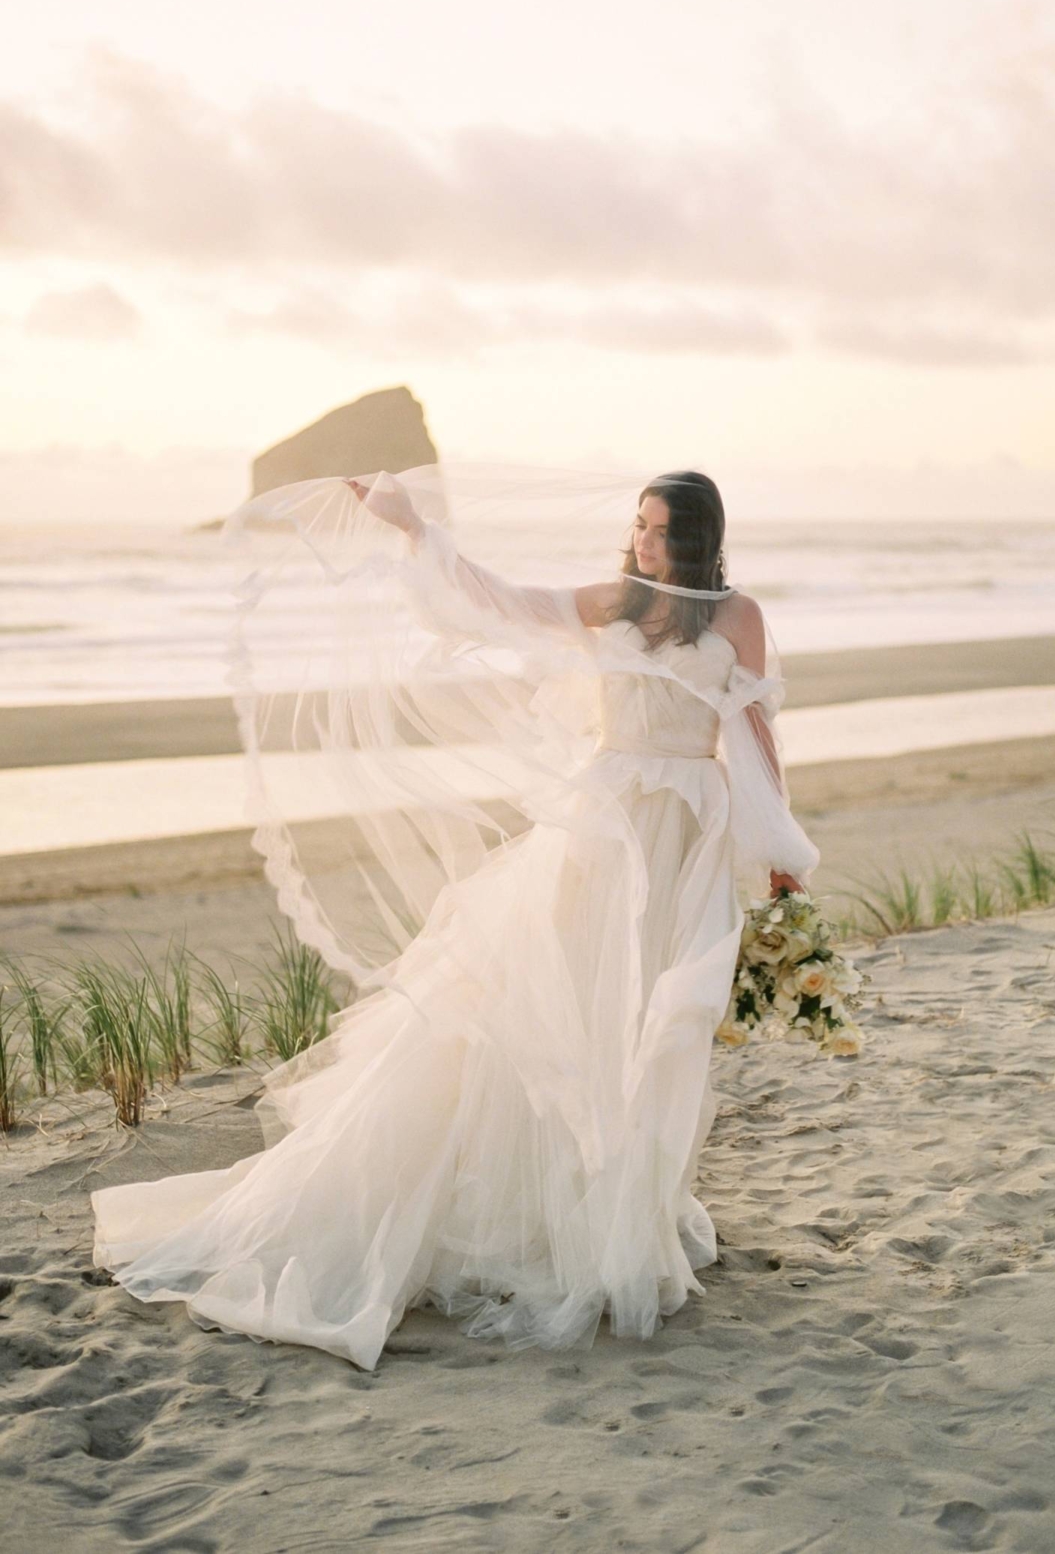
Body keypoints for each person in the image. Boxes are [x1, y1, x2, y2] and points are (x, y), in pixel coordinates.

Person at [90, 466, 820, 1371]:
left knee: (662, 1027)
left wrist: (781, 850)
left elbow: (753, 738)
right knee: (562, 1013)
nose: (643, 542)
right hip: (603, 829)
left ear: (701, 539)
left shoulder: (737, 617)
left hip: (688, 836)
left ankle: (632, 1211)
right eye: (638, 524)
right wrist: (413, 531)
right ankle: (551, 1221)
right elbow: (498, 602)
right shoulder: (614, 602)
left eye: (662, 530)